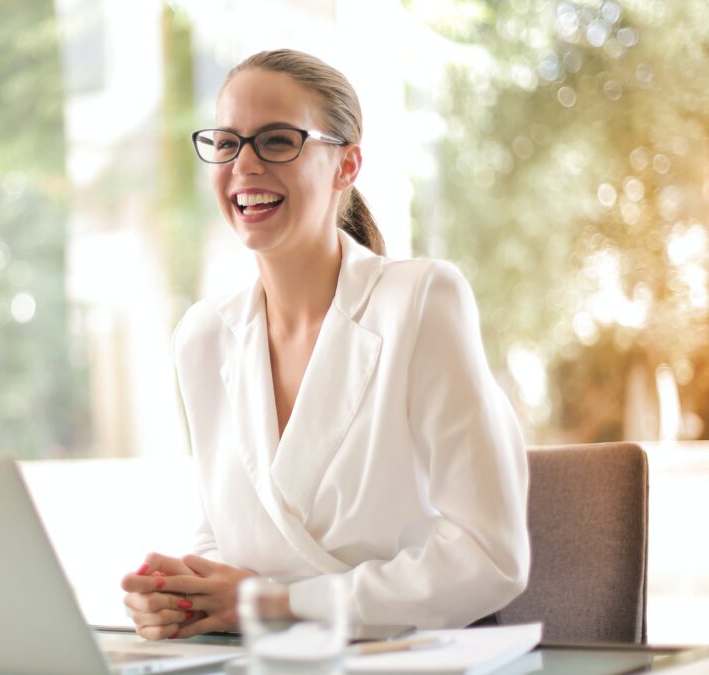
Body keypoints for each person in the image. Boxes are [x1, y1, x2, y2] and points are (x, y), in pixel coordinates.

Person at [120, 49, 530, 641]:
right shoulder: (203, 338)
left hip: (406, 656)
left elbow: (491, 557)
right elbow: (225, 534)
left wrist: (279, 602)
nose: (245, 165)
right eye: (227, 142)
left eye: (278, 141)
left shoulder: (420, 301)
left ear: (347, 164)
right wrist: (184, 596)